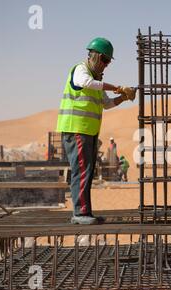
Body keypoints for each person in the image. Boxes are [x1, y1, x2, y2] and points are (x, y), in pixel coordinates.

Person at [56, 37, 136, 225]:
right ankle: (80, 213)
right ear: (94, 56)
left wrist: (123, 98)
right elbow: (85, 82)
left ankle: (84, 212)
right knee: (82, 170)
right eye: (105, 60)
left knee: (88, 171)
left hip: (89, 132)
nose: (106, 65)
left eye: (108, 61)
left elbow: (106, 104)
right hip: (75, 129)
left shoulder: (97, 80)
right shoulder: (80, 70)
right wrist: (117, 87)